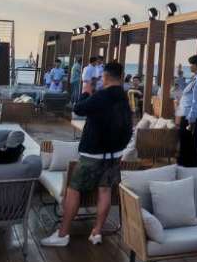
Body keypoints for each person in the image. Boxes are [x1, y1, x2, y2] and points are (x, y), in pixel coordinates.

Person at [41, 60, 132, 247]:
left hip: (93, 154)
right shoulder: (124, 98)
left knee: (74, 189)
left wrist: (85, 92)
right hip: (114, 155)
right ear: (121, 77)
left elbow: (78, 109)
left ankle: (63, 234)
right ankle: (96, 232)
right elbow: (128, 127)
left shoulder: (101, 96)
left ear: (105, 77)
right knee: (105, 191)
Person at [176, 52, 197, 167]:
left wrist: (191, 119)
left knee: (187, 140)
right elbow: (184, 90)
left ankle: (187, 164)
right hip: (185, 112)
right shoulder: (196, 78)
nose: (190, 66)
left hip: (189, 114)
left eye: (192, 64)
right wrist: (180, 76)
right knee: (186, 140)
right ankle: (187, 162)